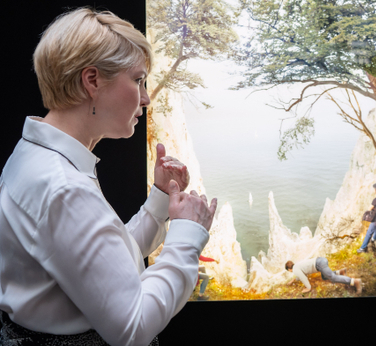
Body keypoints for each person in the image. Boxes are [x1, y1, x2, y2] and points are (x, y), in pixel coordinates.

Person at [0, 8, 217, 346]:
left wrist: (160, 198)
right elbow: (133, 326)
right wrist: (188, 234)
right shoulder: (63, 187)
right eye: (138, 80)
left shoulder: (39, 157)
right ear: (92, 81)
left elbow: (106, 265)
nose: (145, 98)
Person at [285, 258, 362, 293]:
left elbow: (304, 278)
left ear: (289, 269)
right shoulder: (297, 266)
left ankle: (355, 281)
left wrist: (308, 288)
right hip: (320, 261)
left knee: (333, 278)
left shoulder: (295, 270)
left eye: (289, 271)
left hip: (320, 264)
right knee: (324, 277)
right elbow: (303, 275)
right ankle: (340, 272)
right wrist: (294, 280)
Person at [357, 183, 376, 253]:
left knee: (369, 233)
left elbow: (369, 209)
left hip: (375, 218)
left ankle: (362, 248)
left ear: (375, 190)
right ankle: (373, 239)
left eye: (373, 189)